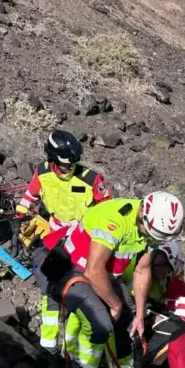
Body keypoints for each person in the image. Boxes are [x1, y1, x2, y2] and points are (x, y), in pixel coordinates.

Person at [41, 191, 183, 368]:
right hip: (73, 269)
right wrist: (115, 305)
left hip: (104, 276)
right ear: (143, 214)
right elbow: (93, 270)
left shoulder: (151, 229)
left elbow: (142, 269)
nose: (151, 240)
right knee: (101, 323)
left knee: (128, 328)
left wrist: (139, 315)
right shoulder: (114, 219)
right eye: (151, 234)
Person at [16, 130, 112, 355]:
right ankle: (48, 346)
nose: (69, 169)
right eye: (64, 165)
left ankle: (73, 348)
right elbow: (30, 196)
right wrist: (18, 216)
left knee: (80, 288)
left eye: (72, 165)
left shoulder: (91, 179)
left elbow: (108, 209)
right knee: (50, 289)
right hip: (54, 234)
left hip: (82, 238)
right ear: (52, 160)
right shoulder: (42, 172)